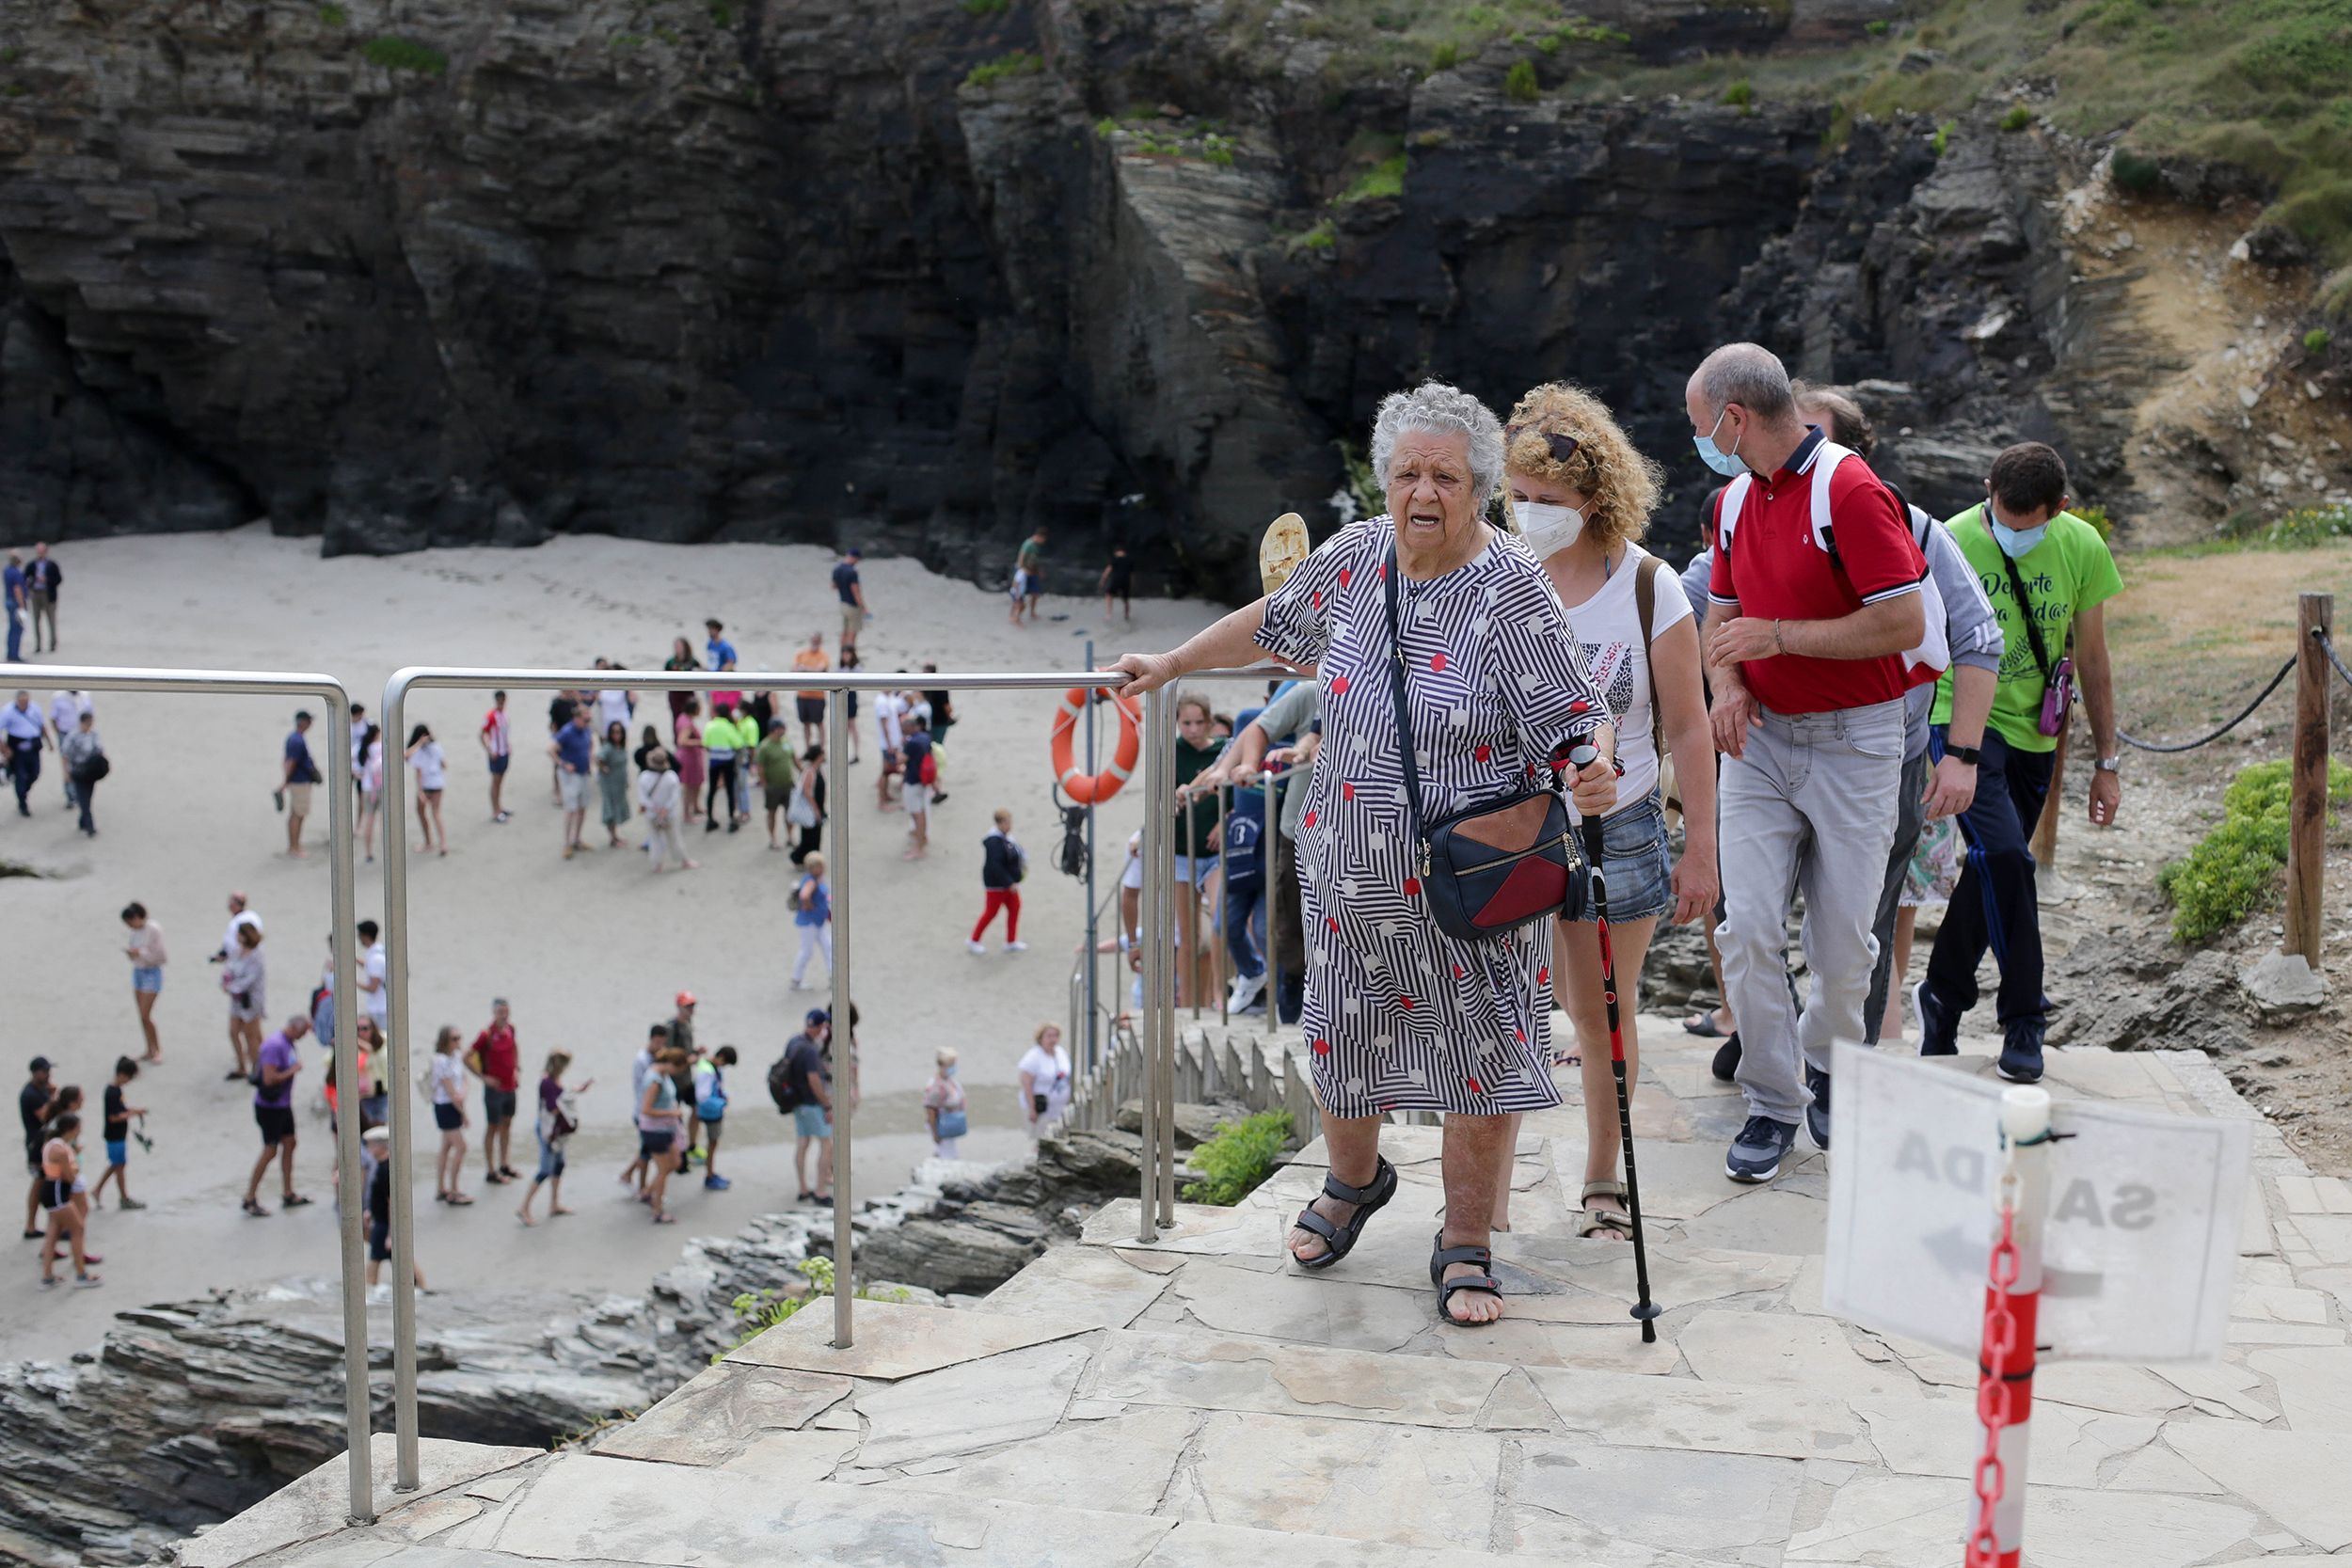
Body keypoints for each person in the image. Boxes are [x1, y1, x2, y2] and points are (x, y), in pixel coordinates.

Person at [1104, 380, 1616, 1325]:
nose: (1424, 493)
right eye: (1407, 472)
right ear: (1385, 479)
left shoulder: (1509, 584)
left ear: (1479, 486)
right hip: (1347, 866)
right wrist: (1173, 662)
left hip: (1471, 875)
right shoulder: (1351, 557)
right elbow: (1272, 623)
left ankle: (1464, 1238)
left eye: (1446, 476)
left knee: (1480, 1055)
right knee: (1342, 1040)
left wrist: (1591, 767)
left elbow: (1576, 714)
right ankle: (1352, 1180)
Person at [1482, 383, 1719, 1238]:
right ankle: (1486, 1198)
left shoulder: (1652, 588)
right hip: (1503, 824)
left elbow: (1690, 730)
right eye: (1520, 497)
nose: (1532, 514)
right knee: (1497, 1014)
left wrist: (1702, 851)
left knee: (1600, 1011)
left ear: (1595, 497)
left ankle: (1603, 1177)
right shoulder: (1493, 576)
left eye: (1551, 501)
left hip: (1616, 823)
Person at [1691, 343, 1933, 1180]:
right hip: (1757, 744)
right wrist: (1726, 683)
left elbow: (1904, 622)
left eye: (1701, 426)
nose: (1701, 441)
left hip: (1856, 743)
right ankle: (1771, 1102)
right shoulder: (1731, 502)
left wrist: (1782, 637)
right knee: (1747, 928)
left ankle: (1829, 1063)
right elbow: (1720, 624)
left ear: (1735, 418)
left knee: (1842, 946)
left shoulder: (1850, 488)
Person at [1790, 384, 2005, 1057]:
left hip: (1888, 761)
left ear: (1856, 457)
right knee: (1748, 915)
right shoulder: (1754, 513)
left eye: (1812, 439)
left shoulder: (1914, 532)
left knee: (1866, 925)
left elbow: (1978, 638)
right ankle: (1772, 1046)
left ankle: (1846, 1069)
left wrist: (1961, 754)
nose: (1793, 453)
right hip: (1774, 753)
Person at [1915, 442, 2124, 1083]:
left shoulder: (2082, 545)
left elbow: (2092, 657)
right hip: (1959, 720)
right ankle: (2025, 1016)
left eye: (2025, 524)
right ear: (1987, 488)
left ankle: (1942, 996)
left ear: (2059, 508)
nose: (2008, 530)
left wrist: (2106, 759)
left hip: (2036, 736)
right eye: (2001, 515)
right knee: (2007, 857)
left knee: (1992, 870)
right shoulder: (1949, 541)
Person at [1168, 693, 1227, 1007]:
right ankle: (1187, 1004)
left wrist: (1225, 821)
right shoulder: (1171, 751)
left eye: (1198, 722)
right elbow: (1162, 797)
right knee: (1187, 936)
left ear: (1209, 721)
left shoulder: (1223, 752)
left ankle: (1219, 995)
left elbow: (1237, 798)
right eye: (1186, 723)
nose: (1192, 729)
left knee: (1219, 921)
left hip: (1216, 852)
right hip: (1182, 851)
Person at [242, 1015, 313, 1216]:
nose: (304, 1036)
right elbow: (269, 1078)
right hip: (269, 1107)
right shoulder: (275, 1046)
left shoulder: (288, 1043)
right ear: (294, 1027)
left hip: (283, 1105)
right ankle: (250, 1197)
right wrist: (293, 1071)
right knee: (270, 1150)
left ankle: (288, 1193)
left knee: (290, 1142)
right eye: (303, 1032)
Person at [516, 1050, 589, 1225]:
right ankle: (524, 1207)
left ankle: (554, 1204)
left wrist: (573, 1091)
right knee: (545, 1169)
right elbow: (553, 1108)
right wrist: (572, 1095)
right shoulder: (548, 1083)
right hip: (548, 1132)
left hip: (556, 1131)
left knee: (559, 1164)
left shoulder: (553, 1079)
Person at [780, 1009, 835, 1204]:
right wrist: (827, 1105)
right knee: (826, 1143)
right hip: (811, 1103)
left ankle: (803, 1187)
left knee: (803, 1143)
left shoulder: (794, 1042)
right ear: (820, 1026)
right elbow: (814, 1080)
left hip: (796, 1101)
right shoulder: (810, 1051)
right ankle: (820, 1190)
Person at [38, 1114, 97, 1288]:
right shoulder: (61, 1150)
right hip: (58, 1193)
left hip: (51, 1191)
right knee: (77, 1228)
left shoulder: (51, 1144)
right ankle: (81, 1275)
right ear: (71, 1129)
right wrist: (75, 1166)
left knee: (52, 1234)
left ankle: (47, 1277)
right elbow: (70, 1177)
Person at [469, 1000, 522, 1185]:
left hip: (510, 1086)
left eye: (506, 1011)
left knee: (507, 1124)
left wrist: (516, 1068)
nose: (504, 1015)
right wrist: (483, 1078)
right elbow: (467, 1056)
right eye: (500, 1012)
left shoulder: (510, 1029)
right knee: (493, 1126)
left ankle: (504, 1163)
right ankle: (490, 1170)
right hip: (494, 1089)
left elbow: (514, 1048)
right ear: (494, 1012)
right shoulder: (487, 1034)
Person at [422, 1024, 475, 1206]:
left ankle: (441, 1188)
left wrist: (464, 1094)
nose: (458, 1042)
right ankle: (453, 1190)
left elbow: (464, 1079)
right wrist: (464, 1113)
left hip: (455, 1104)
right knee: (461, 1147)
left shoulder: (457, 1057)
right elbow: (450, 1090)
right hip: (446, 1106)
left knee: (445, 1147)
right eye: (454, 1039)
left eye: (459, 1038)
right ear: (445, 1041)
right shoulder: (440, 1061)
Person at [617, 1022, 672, 1196]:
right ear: (651, 1039)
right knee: (646, 1153)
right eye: (657, 1042)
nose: (660, 1046)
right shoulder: (642, 1060)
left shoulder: (659, 1058)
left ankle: (631, 1177)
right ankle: (640, 1186)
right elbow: (644, 1088)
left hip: (651, 1112)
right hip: (644, 1112)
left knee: (646, 1150)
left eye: (663, 1043)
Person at [637, 1046, 688, 1224]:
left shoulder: (662, 1075)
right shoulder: (655, 1081)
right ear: (671, 1064)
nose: (679, 1073)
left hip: (667, 1129)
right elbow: (646, 1109)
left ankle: (648, 1192)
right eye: (679, 1069)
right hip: (654, 1130)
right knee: (663, 1170)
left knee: (675, 1162)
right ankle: (657, 1210)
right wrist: (672, 1113)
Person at [89, 1057, 146, 1212]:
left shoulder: (115, 1090)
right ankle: (123, 1198)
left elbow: (120, 1110)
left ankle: (98, 1190)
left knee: (117, 1164)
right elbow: (114, 1117)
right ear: (123, 1074)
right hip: (115, 1135)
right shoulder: (112, 1093)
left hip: (116, 1134)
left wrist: (133, 1111)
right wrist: (133, 1114)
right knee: (119, 1165)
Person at [969, 810, 1027, 954]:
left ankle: (1011, 941)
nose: (1010, 825)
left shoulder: (1007, 838)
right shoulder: (995, 843)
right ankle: (974, 940)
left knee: (1015, 908)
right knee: (991, 912)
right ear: (1000, 823)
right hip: (997, 885)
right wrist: (1009, 882)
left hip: (1008, 884)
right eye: (1007, 822)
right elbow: (995, 866)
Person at [637, 745, 697, 871]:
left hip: (652, 815)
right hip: (669, 814)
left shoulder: (644, 777)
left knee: (654, 839)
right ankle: (684, 861)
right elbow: (674, 797)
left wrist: (655, 809)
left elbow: (643, 798)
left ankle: (657, 864)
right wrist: (665, 809)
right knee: (675, 837)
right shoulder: (671, 777)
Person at [220, 921, 267, 1083]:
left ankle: (256, 1068)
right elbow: (229, 967)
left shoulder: (257, 955)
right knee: (233, 1032)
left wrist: (232, 987)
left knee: (251, 1036)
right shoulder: (237, 951)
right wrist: (226, 979)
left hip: (251, 1001)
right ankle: (241, 1065)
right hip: (237, 1000)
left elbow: (251, 979)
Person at [120, 903, 167, 1063]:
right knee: (142, 1015)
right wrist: (132, 954)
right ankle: (149, 1049)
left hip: (151, 972)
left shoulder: (153, 929)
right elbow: (135, 956)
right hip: (139, 972)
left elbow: (160, 955)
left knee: (146, 1014)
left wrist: (139, 952)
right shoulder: (135, 933)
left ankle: (158, 1050)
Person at [21, 1055, 56, 1242]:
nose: (49, 1074)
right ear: (35, 1073)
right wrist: (54, 1098)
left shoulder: (40, 1089)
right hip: (36, 1147)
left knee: (41, 1183)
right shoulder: (30, 1095)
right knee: (40, 1184)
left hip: (42, 1144)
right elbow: (45, 1116)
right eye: (45, 1071)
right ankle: (32, 1225)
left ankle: (33, 1225)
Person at [549, 705, 593, 858]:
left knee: (582, 807)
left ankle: (577, 839)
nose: (587, 722)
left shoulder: (587, 729)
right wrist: (563, 764)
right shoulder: (567, 732)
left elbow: (589, 745)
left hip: (583, 773)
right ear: (576, 718)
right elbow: (551, 750)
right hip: (570, 776)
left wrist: (590, 761)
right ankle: (567, 843)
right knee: (571, 809)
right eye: (585, 719)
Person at [279, 710, 324, 858]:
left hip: (297, 780)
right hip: (299, 781)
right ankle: (294, 847)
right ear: (303, 722)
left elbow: (287, 761)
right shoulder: (297, 740)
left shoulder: (294, 738)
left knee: (296, 813)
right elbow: (291, 762)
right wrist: (285, 782)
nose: (311, 724)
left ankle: (294, 845)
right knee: (298, 814)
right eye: (309, 721)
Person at [692, 1046, 737, 1191]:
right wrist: (722, 1103)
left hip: (710, 1109)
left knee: (712, 1143)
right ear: (721, 1057)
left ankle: (710, 1172)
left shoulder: (708, 1066)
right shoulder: (708, 1071)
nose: (723, 1066)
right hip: (711, 1112)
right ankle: (709, 1176)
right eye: (725, 1063)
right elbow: (703, 1096)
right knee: (712, 1143)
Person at [1017, 1023, 1073, 1139]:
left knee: (1059, 1136)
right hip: (1041, 1107)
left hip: (1059, 1107)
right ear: (1041, 1037)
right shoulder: (1033, 1057)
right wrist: (1032, 1109)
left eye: (1056, 1036)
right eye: (1049, 1036)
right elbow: (1026, 1084)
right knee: (1040, 1139)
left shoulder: (1060, 1052)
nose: (1053, 1039)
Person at [405, 723, 450, 856]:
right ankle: (443, 843)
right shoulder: (436, 747)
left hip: (425, 785)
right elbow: (444, 764)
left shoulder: (418, 751)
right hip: (438, 783)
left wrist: (420, 791)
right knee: (436, 813)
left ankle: (429, 842)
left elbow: (413, 765)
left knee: (422, 813)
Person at [702, 702, 745, 833]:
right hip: (728, 761)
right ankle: (732, 819)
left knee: (712, 790)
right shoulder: (729, 726)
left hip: (714, 760)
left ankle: (710, 818)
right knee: (730, 791)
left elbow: (705, 744)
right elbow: (738, 744)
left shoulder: (710, 725)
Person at [790, 853, 834, 989]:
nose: (823, 868)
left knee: (829, 947)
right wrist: (812, 907)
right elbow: (804, 896)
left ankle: (834, 977)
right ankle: (796, 979)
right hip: (810, 922)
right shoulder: (811, 881)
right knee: (807, 951)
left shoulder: (816, 879)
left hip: (817, 922)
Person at [59, 707, 103, 835]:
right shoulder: (73, 736)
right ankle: (90, 827)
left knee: (87, 798)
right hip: (78, 770)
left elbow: (99, 750)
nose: (90, 725)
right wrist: (66, 772)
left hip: (90, 772)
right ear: (82, 722)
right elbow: (65, 754)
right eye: (88, 723)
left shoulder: (94, 734)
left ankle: (82, 821)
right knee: (83, 799)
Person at [900, 713, 935, 858]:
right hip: (923, 780)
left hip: (913, 780)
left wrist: (900, 747)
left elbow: (900, 759)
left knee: (917, 813)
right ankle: (923, 837)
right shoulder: (925, 737)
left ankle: (919, 847)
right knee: (921, 810)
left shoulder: (912, 743)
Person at [786, 743, 827, 864]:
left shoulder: (816, 769)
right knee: (810, 837)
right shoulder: (810, 771)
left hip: (816, 807)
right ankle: (801, 858)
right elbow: (807, 792)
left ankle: (812, 860)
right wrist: (816, 810)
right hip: (811, 810)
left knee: (814, 837)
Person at [923, 1047, 967, 1159]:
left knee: (948, 1152)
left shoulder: (949, 1080)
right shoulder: (936, 1086)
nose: (954, 1067)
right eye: (952, 1064)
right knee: (947, 1156)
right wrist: (935, 1134)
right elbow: (931, 1110)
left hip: (950, 1124)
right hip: (941, 1125)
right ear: (942, 1065)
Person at [3, 689, 42, 815]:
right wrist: (5, 749)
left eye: (26, 701)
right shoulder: (8, 711)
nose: (24, 704)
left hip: (33, 745)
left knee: (35, 773)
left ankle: (23, 791)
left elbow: (42, 725)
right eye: (22, 702)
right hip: (17, 746)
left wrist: (50, 742)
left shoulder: (34, 708)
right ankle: (22, 802)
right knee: (21, 775)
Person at [479, 690, 514, 824]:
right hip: (496, 753)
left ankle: (499, 807)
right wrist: (489, 750)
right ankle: (495, 811)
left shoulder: (504, 715)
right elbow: (482, 734)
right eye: (499, 701)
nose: (501, 703)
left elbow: (504, 734)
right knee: (495, 782)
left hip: (504, 752)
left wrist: (508, 745)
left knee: (500, 782)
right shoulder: (491, 716)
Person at [596, 720, 632, 848]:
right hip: (610, 785)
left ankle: (615, 836)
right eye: (614, 732)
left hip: (619, 784)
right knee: (611, 810)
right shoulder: (608, 747)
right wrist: (603, 768)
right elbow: (598, 758)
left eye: (619, 732)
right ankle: (612, 838)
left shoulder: (620, 747)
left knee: (617, 808)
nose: (617, 735)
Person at [791, 632, 830, 749]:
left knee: (819, 723)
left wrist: (805, 669)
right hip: (803, 694)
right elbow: (794, 669)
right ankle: (808, 749)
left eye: (817, 640)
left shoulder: (823, 655)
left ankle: (821, 749)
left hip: (817, 696)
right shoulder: (802, 654)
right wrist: (809, 670)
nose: (814, 642)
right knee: (806, 723)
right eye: (813, 639)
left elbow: (821, 669)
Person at [672, 697, 707, 825]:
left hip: (691, 757)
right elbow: (682, 741)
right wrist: (700, 742)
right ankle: (687, 815)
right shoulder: (687, 723)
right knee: (689, 787)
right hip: (689, 759)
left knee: (695, 785)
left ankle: (695, 807)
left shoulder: (683, 718)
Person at [356, 723, 386, 862]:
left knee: (369, 819)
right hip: (382, 787)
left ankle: (368, 852)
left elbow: (354, 766)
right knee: (384, 821)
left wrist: (361, 776)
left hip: (367, 787)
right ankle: (386, 849)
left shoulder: (362, 748)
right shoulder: (381, 747)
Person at [872, 687, 906, 807]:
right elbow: (884, 725)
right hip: (888, 744)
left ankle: (885, 795)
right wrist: (890, 744)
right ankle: (881, 801)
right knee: (886, 772)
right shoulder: (882, 702)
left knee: (887, 771)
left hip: (893, 742)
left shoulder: (889, 698)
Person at [357, 917, 389, 1042]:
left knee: (379, 1040)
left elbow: (373, 988)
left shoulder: (375, 958)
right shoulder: (380, 951)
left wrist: (353, 983)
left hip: (379, 1009)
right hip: (382, 1007)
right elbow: (369, 966)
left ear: (365, 936)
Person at [25, 543, 59, 654]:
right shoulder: (31, 565)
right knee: (36, 620)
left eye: (42, 551)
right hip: (36, 594)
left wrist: (47, 580)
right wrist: (33, 582)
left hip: (48, 594)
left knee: (51, 620)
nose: (40, 553)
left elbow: (58, 579)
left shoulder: (52, 565)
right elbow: (25, 578)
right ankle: (38, 644)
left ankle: (53, 643)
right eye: (38, 551)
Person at [918, 663, 956, 763]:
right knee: (933, 748)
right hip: (933, 722)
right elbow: (948, 707)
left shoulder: (930, 685)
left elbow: (947, 707)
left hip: (935, 722)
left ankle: (931, 769)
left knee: (933, 748)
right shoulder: (938, 685)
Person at [833, 548, 867, 651]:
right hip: (852, 605)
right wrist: (864, 608)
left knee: (844, 631)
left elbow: (834, 586)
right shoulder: (852, 572)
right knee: (853, 632)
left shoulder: (837, 569)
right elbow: (856, 592)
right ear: (854, 558)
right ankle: (851, 656)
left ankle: (842, 654)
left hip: (843, 603)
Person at [1011, 527, 1046, 625]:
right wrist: (1023, 570)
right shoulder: (1028, 544)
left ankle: (1032, 613)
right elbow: (1021, 559)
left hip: (1032, 572)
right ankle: (1014, 617)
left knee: (1035, 593)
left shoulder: (1036, 546)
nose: (1043, 541)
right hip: (1024, 571)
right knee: (1019, 596)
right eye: (1043, 539)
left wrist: (1038, 571)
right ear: (1040, 537)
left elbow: (1034, 560)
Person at [663, 638, 699, 724]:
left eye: (679, 646)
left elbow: (702, 669)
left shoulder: (691, 660)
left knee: (689, 717)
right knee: (676, 717)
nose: (677, 648)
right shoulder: (671, 662)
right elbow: (663, 676)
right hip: (675, 693)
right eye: (676, 646)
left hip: (688, 692)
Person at [837, 647, 864, 764]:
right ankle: (843, 752)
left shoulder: (856, 668)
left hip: (851, 696)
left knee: (852, 725)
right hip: (842, 697)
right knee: (844, 725)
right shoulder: (840, 667)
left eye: (848, 654)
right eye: (844, 654)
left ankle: (855, 752)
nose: (846, 656)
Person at [1101, 545, 1135, 623]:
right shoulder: (1130, 560)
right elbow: (1132, 575)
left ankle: (1109, 614)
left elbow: (1108, 570)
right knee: (1125, 599)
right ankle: (1126, 615)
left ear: (1116, 552)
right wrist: (1132, 584)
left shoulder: (1115, 559)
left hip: (1116, 580)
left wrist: (1103, 580)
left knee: (1108, 595)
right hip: (1126, 581)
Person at [3, 550, 24, 664]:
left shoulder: (7, 570)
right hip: (15, 603)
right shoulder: (16, 573)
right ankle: (14, 655)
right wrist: (22, 605)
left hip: (8, 600)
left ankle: (10, 653)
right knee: (17, 628)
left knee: (12, 628)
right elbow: (17, 589)